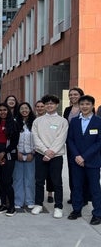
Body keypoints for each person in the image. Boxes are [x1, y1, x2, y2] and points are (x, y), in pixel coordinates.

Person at [31, 94, 68, 218]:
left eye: (52, 103)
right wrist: (45, 151)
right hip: (40, 154)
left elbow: (61, 139)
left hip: (56, 156)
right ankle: (38, 204)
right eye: (47, 104)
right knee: (39, 181)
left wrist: (51, 152)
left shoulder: (62, 121)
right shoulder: (38, 121)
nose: (49, 105)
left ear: (57, 105)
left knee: (57, 182)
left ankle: (58, 207)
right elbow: (35, 137)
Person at [66, 95, 101, 225]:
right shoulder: (74, 121)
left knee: (95, 188)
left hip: (92, 161)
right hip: (76, 161)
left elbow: (99, 142)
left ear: (92, 106)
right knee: (77, 186)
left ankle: (97, 213)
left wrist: (84, 156)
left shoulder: (98, 121)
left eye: (87, 104)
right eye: (82, 104)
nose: (84, 106)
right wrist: (77, 156)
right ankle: (76, 210)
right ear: (79, 106)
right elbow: (70, 139)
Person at [0, 103, 20, 217]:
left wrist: (3, 153)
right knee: (1, 181)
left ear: (8, 111)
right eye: (0, 110)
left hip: (8, 153)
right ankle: (3, 204)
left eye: (5, 110)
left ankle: (11, 206)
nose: (2, 112)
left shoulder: (14, 124)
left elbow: (14, 142)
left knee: (7, 181)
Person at [62, 87, 88, 205]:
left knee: (84, 170)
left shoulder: (85, 108)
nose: (72, 96)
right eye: (70, 95)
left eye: (75, 94)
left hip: (84, 145)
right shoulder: (67, 110)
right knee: (72, 170)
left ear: (81, 95)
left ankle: (84, 197)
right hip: (71, 144)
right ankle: (74, 196)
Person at [13, 102, 36, 210]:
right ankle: (18, 201)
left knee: (30, 179)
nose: (24, 110)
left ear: (30, 110)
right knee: (18, 179)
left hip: (31, 155)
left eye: (26, 108)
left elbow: (38, 139)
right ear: (18, 110)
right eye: (22, 108)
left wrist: (33, 153)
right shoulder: (14, 122)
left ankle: (30, 200)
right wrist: (17, 152)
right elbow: (11, 139)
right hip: (18, 154)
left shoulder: (35, 123)